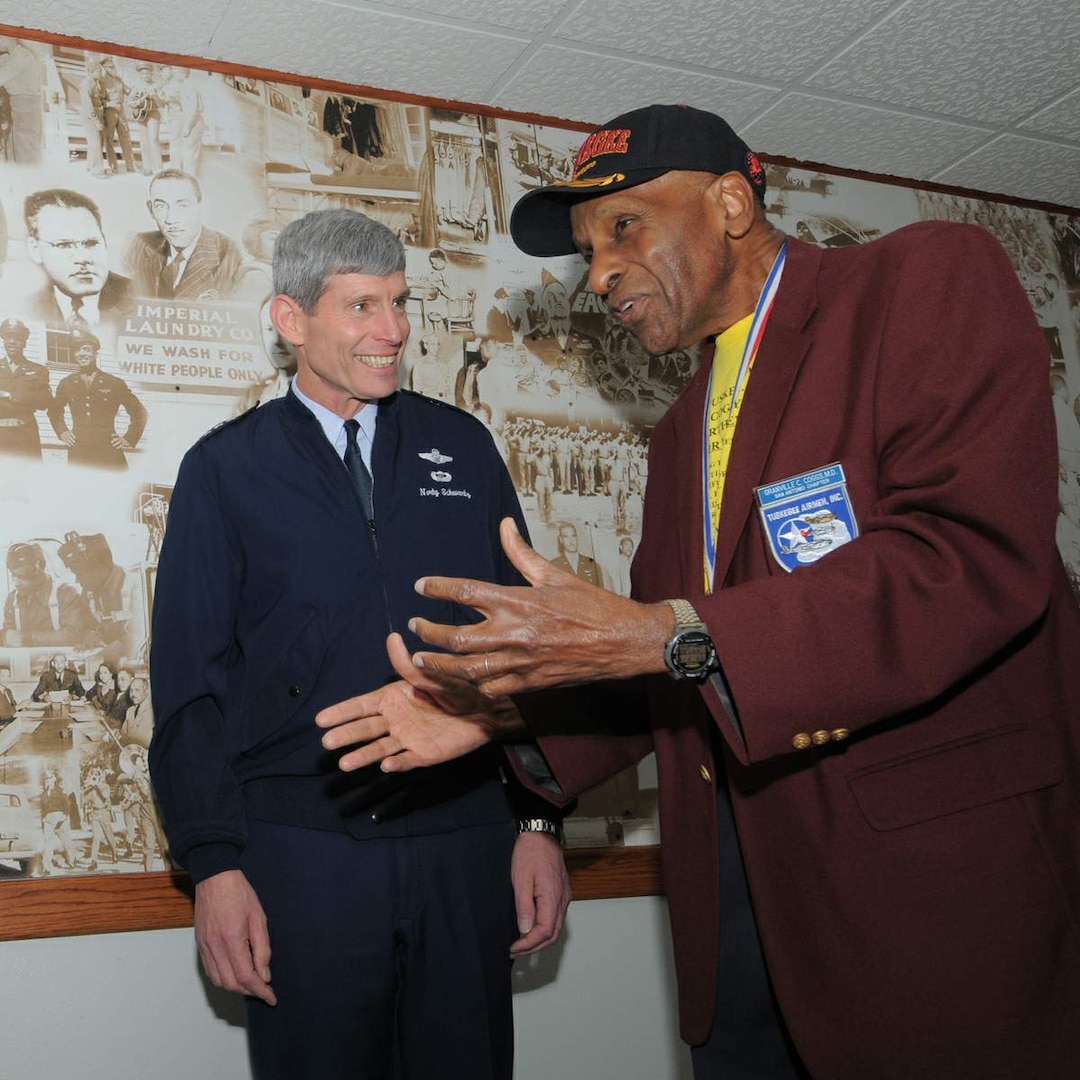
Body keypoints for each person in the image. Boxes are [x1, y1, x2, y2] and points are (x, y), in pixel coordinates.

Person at [317, 105, 1080, 1079]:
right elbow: (669, 668)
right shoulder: (680, 433)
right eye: (589, 252)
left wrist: (664, 632)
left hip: (934, 918)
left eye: (623, 228)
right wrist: (501, 719)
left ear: (729, 201)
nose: (599, 274)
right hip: (739, 926)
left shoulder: (917, 280)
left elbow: (965, 558)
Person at [149, 208, 569, 1080]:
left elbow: (524, 644)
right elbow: (189, 685)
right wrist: (215, 866)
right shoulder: (223, 469)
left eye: (400, 303)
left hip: (464, 839)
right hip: (302, 852)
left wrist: (536, 818)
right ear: (291, 321)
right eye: (361, 306)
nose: (393, 331)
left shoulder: (464, 444)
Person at [127, 169, 245, 300]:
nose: (171, 219)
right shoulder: (140, 245)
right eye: (161, 206)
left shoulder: (230, 254)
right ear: (150, 210)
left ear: (200, 206)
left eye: (182, 205)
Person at [24, 189, 134, 329]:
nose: (83, 258)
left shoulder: (144, 298)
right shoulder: (27, 308)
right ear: (35, 249)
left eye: (91, 243)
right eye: (64, 245)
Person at [48, 329, 147, 470]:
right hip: (79, 450)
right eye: (77, 350)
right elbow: (54, 410)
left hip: (108, 450)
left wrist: (128, 438)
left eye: (86, 349)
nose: (81, 354)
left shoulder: (114, 383)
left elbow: (139, 412)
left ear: (96, 354)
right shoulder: (66, 383)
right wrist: (62, 431)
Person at [3, 543, 93, 648]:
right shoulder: (12, 601)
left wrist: (27, 639)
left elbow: (75, 634)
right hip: (24, 663)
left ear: (39, 569)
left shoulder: (65, 594)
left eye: (22, 575)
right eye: (13, 575)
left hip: (62, 662)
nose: (16, 583)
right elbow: (8, 636)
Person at [0, 317, 50, 460]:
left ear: (24, 342)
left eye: (16, 337)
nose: (11, 341)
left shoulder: (39, 370)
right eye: (8, 336)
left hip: (25, 435)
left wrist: (9, 395)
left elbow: (43, 401)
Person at [0, 36, 42, 165]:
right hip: (18, 104)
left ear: (4, 38)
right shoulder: (9, 56)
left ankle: (29, 179)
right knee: (15, 148)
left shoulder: (22, 56)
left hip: (26, 104)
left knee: (25, 148)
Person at [91, 58, 135, 176]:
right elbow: (98, 101)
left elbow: (128, 91)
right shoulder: (102, 81)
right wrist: (109, 104)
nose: (113, 69)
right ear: (105, 68)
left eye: (113, 66)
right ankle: (113, 165)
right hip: (109, 112)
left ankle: (130, 165)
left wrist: (136, 90)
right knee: (109, 139)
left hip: (121, 111)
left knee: (125, 137)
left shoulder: (119, 80)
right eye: (110, 67)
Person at [550, 521, 602, 586]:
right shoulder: (553, 566)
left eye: (573, 536)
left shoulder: (592, 564)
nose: (571, 541)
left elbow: (601, 593)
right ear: (561, 539)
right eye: (566, 537)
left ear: (577, 537)